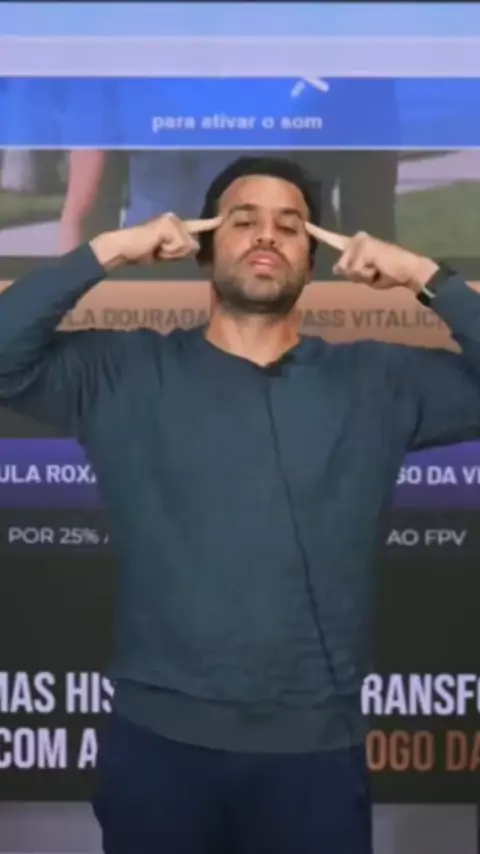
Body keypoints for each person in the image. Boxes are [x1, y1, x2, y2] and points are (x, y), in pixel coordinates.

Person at [1, 156, 480, 854]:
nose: (266, 236)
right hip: (159, 748)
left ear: (312, 259)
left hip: (315, 755)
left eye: (290, 226)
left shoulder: (378, 378)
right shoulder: (123, 371)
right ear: (203, 247)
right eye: (242, 220)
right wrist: (107, 250)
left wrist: (424, 277)